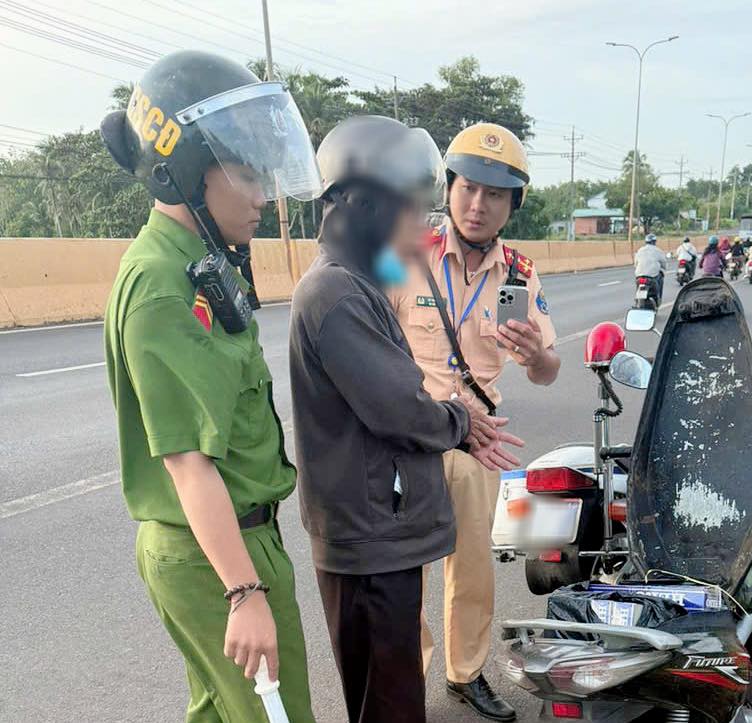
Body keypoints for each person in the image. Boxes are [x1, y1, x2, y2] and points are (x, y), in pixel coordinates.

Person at [100, 51, 318, 722]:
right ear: (186, 169)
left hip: (229, 545)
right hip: (217, 557)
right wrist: (244, 592)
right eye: (247, 175)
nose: (262, 197)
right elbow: (188, 463)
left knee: (221, 713)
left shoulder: (197, 261)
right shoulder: (161, 285)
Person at [288, 115, 524, 723]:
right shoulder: (345, 290)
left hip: (387, 509)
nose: (422, 226)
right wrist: (458, 420)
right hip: (372, 524)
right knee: (389, 695)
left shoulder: (359, 280)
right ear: (366, 207)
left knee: (396, 684)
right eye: (411, 211)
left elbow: (541, 366)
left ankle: (465, 673)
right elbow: (396, 405)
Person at [388, 122, 559, 721]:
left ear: (513, 204)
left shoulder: (521, 274)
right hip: (410, 436)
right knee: (404, 570)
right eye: (468, 188)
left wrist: (535, 356)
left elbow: (549, 371)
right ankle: (406, 676)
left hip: (478, 442)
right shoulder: (404, 255)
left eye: (495, 194)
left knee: (472, 568)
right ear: (449, 189)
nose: (478, 204)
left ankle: (465, 673)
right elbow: (363, 335)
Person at [634, 233, 667, 303]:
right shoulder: (658, 251)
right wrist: (664, 268)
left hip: (639, 276)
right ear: (654, 242)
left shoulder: (640, 250)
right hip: (652, 277)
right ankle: (658, 299)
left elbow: (636, 263)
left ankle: (637, 300)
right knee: (661, 277)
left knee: (638, 286)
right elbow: (664, 263)